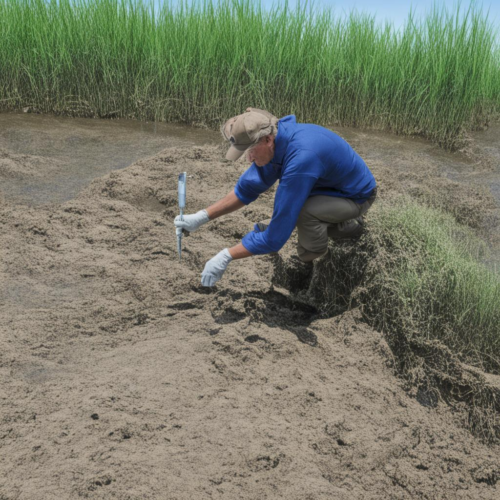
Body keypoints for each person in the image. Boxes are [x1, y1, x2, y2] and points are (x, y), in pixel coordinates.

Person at [174, 108, 377, 287]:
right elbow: (246, 190)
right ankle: (331, 225)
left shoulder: (300, 160)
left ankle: (348, 232)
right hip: (325, 188)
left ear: (268, 140)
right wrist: (201, 217)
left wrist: (226, 256)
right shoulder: (277, 141)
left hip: (356, 197)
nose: (249, 159)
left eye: (251, 151)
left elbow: (275, 240)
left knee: (305, 225)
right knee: (295, 213)